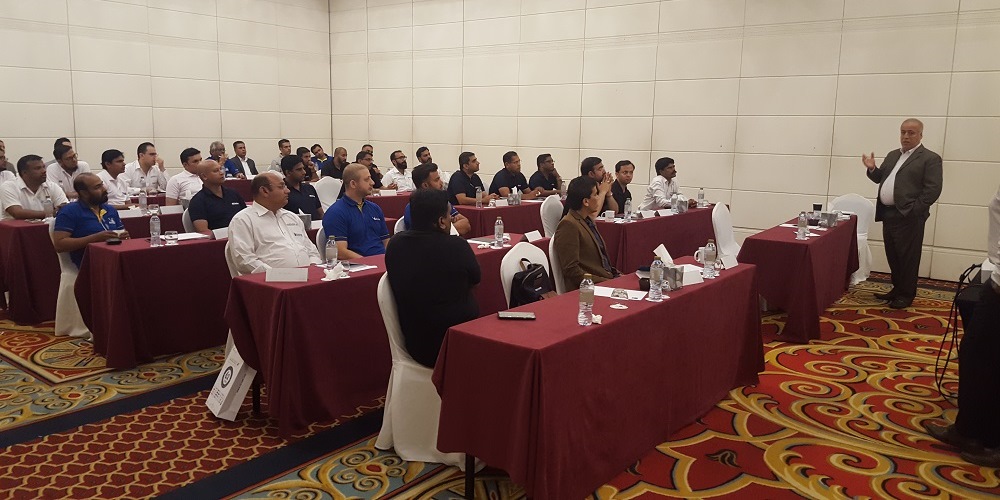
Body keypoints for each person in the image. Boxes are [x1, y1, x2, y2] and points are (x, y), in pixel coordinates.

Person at [925, 185, 1000, 467]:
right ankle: (967, 430)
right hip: (995, 278)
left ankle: (992, 441)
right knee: (974, 356)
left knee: (988, 360)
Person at [385, 188, 480, 368]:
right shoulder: (456, 246)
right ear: (441, 222)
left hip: (416, 342)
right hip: (456, 342)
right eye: (449, 216)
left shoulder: (395, 245)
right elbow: (476, 278)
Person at [862, 118, 943, 309]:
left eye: (911, 133)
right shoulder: (892, 155)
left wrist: (914, 211)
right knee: (894, 255)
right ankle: (897, 289)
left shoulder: (929, 158)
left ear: (921, 135)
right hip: (888, 214)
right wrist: (872, 169)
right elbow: (881, 178)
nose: (906, 136)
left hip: (909, 216)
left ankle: (906, 295)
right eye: (903, 132)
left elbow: (933, 190)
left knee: (908, 257)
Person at [227, 172, 321, 275]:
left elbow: (311, 250)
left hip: (307, 278)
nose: (288, 191)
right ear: (264, 191)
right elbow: (245, 261)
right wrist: (277, 275)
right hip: (269, 283)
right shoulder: (243, 220)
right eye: (281, 187)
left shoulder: (291, 217)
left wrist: (313, 268)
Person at [553, 176, 620, 291]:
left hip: (605, 279)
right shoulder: (569, 225)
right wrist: (608, 283)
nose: (598, 198)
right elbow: (571, 270)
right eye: (595, 194)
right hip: (589, 288)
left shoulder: (587, 220)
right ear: (585, 201)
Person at [51, 172, 129, 268]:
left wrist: (124, 237)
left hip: (116, 258)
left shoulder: (110, 210)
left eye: (102, 184)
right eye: (97, 187)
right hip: (90, 263)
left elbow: (124, 237)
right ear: (84, 193)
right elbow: (59, 245)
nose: (104, 189)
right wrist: (94, 239)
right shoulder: (69, 211)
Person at [322, 163, 389, 258]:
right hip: (359, 266)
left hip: (383, 263)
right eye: (367, 179)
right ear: (353, 184)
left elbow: (386, 241)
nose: (372, 182)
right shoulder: (335, 213)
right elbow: (340, 252)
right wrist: (370, 264)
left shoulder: (375, 208)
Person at [401, 162, 471, 236]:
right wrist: (450, 224)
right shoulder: (413, 208)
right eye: (436, 180)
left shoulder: (444, 203)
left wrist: (444, 228)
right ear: (425, 185)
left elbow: (466, 224)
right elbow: (426, 236)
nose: (441, 183)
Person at [0, 154, 69, 220]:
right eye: (38, 168)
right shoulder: (9, 186)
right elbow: (17, 213)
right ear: (24, 172)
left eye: (43, 167)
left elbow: (66, 208)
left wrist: (59, 211)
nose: (44, 171)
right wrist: (51, 213)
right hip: (16, 231)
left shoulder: (51, 186)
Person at [187, 160, 247, 232]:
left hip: (243, 236)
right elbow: (203, 231)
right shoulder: (197, 201)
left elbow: (247, 218)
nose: (221, 173)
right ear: (204, 176)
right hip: (219, 240)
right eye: (216, 171)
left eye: (221, 169)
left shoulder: (233, 194)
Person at [281, 154, 323, 220]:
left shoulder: (309, 188)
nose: (304, 172)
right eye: (299, 169)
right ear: (288, 172)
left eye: (303, 168)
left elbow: (321, 213)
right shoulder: (281, 192)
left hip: (316, 227)